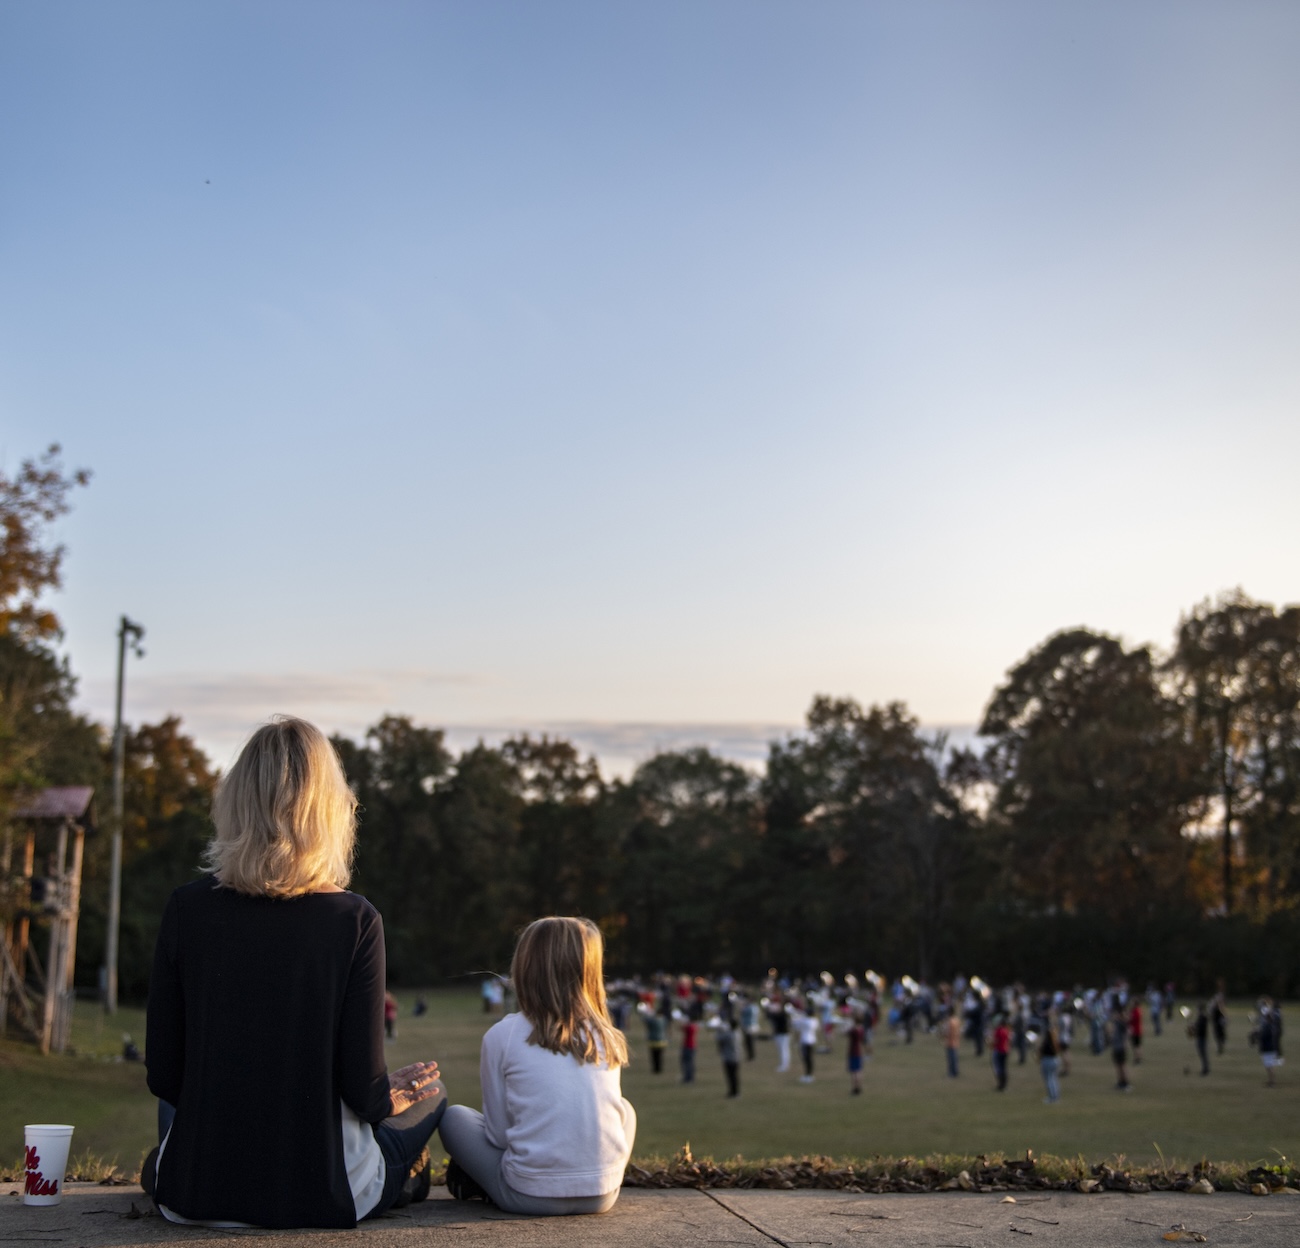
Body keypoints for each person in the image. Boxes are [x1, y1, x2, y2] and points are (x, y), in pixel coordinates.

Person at [144, 717, 446, 1229]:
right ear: (330, 811)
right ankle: (401, 1177)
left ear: (235, 802)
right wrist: (386, 1095)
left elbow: (165, 1076)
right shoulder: (355, 921)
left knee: (171, 1131)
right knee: (434, 1097)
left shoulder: (185, 910)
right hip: (321, 1195)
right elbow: (364, 1094)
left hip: (193, 1195)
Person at [439, 917, 635, 1215]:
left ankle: (486, 1184)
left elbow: (499, 1135)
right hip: (602, 1196)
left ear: (523, 968)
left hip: (526, 1194)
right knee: (626, 1110)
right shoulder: (606, 1037)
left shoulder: (503, 1035)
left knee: (454, 1117)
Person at [1038, 1016, 1061, 1103]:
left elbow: (1042, 1050)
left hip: (1048, 1060)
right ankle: (1056, 1095)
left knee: (1049, 1079)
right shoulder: (1055, 1038)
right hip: (1055, 1059)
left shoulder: (1047, 1041)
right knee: (1054, 1078)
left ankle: (1052, 1097)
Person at [795, 1006, 819, 1083]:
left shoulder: (804, 1021)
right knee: (809, 1059)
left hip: (805, 1041)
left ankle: (808, 1075)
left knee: (806, 1059)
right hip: (812, 1041)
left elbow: (796, 1024)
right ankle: (809, 1074)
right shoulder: (815, 1021)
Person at [717, 1021, 741, 1097]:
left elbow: (719, 1038)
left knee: (731, 1076)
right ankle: (735, 1092)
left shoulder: (729, 1035)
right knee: (734, 1076)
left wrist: (719, 1030)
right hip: (737, 1057)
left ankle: (733, 1092)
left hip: (729, 1058)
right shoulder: (737, 1033)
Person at [846, 1012, 867, 1095]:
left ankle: (855, 1088)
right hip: (859, 1050)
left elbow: (846, 1033)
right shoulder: (861, 1029)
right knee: (859, 1070)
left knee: (854, 1072)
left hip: (853, 1051)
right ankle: (859, 1087)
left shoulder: (854, 1030)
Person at [1111, 1005, 1131, 1090]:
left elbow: (1127, 1033)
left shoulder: (1121, 1023)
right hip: (1117, 1046)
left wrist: (1125, 1044)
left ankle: (1125, 1083)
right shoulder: (1117, 1022)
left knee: (1122, 1065)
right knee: (1118, 1065)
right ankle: (1120, 1081)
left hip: (1120, 1047)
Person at [991, 1016, 1010, 1091]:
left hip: (999, 1050)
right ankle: (1004, 1084)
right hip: (1005, 1050)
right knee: (1004, 1068)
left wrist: (992, 1044)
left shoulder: (999, 1030)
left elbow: (996, 1040)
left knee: (998, 1068)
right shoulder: (1006, 1030)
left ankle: (1000, 1084)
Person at [1191, 1002, 1210, 1076]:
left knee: (1203, 1054)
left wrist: (1194, 1028)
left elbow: (1200, 1028)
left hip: (1202, 1038)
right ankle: (1205, 1068)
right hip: (1200, 1038)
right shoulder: (1200, 1017)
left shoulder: (1203, 1017)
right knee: (1202, 1054)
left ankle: (1205, 1069)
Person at [681, 1016, 699, 1083]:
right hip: (692, 1046)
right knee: (690, 1063)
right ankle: (689, 1077)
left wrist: (684, 1023)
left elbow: (682, 1028)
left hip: (688, 1046)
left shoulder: (690, 1027)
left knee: (687, 1063)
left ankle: (688, 1078)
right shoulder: (695, 1026)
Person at [943, 1008, 960, 1078]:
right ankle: (955, 1071)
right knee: (955, 1058)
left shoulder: (950, 1021)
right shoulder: (956, 1020)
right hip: (956, 1041)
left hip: (950, 1042)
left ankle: (952, 1073)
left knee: (951, 1059)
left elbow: (948, 1032)